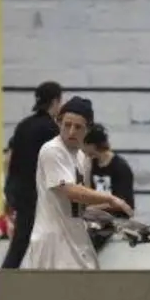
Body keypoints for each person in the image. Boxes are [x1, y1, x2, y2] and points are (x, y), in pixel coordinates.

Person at [22, 97, 132, 270]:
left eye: (78, 127)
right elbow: (70, 191)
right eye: (67, 124)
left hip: (76, 236)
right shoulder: (52, 150)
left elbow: (79, 206)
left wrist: (116, 222)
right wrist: (111, 199)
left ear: (87, 129)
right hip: (54, 241)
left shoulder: (81, 157)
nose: (71, 131)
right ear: (59, 123)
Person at [1, 81, 65, 269]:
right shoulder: (51, 130)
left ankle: (4, 280)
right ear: (55, 101)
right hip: (39, 195)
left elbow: (10, 159)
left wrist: (9, 193)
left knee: (20, 242)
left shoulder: (23, 126)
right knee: (49, 241)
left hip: (20, 193)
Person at [82, 124, 136, 251]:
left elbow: (122, 203)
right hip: (96, 214)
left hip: (114, 216)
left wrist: (91, 208)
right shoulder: (92, 165)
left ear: (92, 145)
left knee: (93, 238)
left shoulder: (120, 167)